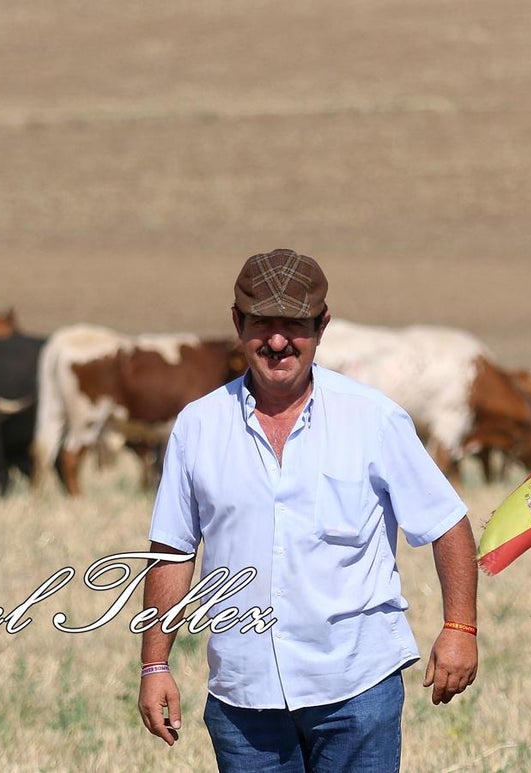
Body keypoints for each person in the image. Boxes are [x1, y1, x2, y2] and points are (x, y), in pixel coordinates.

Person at [137, 249, 478, 772]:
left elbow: (446, 523)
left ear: (322, 325)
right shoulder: (198, 426)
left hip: (356, 688)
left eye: (294, 325)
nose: (277, 341)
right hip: (243, 698)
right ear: (237, 323)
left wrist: (460, 629)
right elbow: (173, 551)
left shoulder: (374, 418)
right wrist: (154, 663)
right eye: (262, 324)